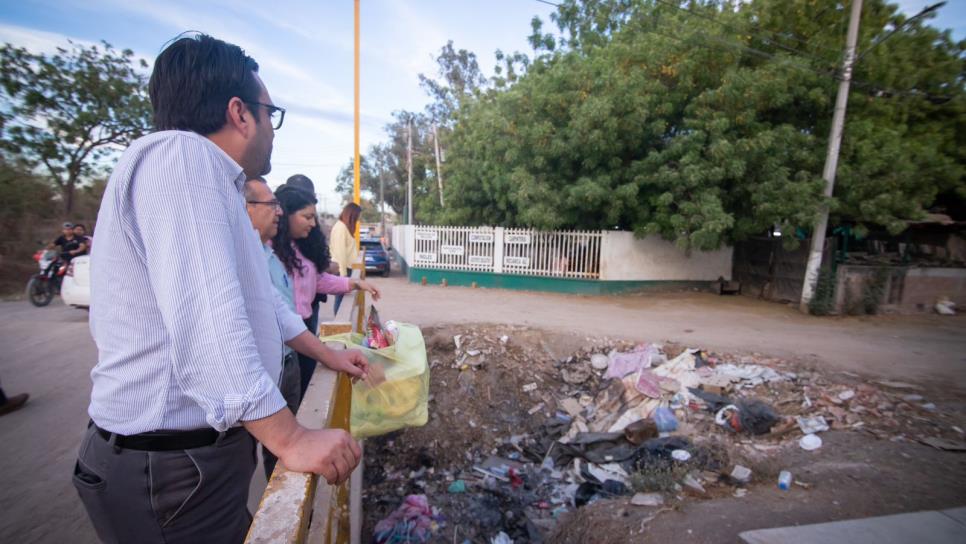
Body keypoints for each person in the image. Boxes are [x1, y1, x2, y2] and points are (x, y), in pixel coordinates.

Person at [74, 33, 367, 544]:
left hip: (182, 464)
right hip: (165, 469)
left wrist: (326, 353)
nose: (272, 133)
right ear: (240, 113)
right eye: (270, 115)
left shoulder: (215, 183)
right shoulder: (181, 158)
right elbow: (206, 320)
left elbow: (262, 302)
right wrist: (291, 437)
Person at [272, 186, 381, 400]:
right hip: (282, 342)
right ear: (285, 214)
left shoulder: (298, 247)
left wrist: (354, 283)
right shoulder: (267, 253)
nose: (313, 223)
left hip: (300, 334)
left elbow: (318, 280)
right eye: (307, 217)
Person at [329, 202, 363, 315]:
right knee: (341, 303)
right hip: (342, 270)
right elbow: (340, 254)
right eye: (357, 217)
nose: (358, 220)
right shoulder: (341, 228)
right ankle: (339, 327)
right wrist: (343, 276)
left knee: (344, 301)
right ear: (352, 215)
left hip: (346, 269)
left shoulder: (344, 227)